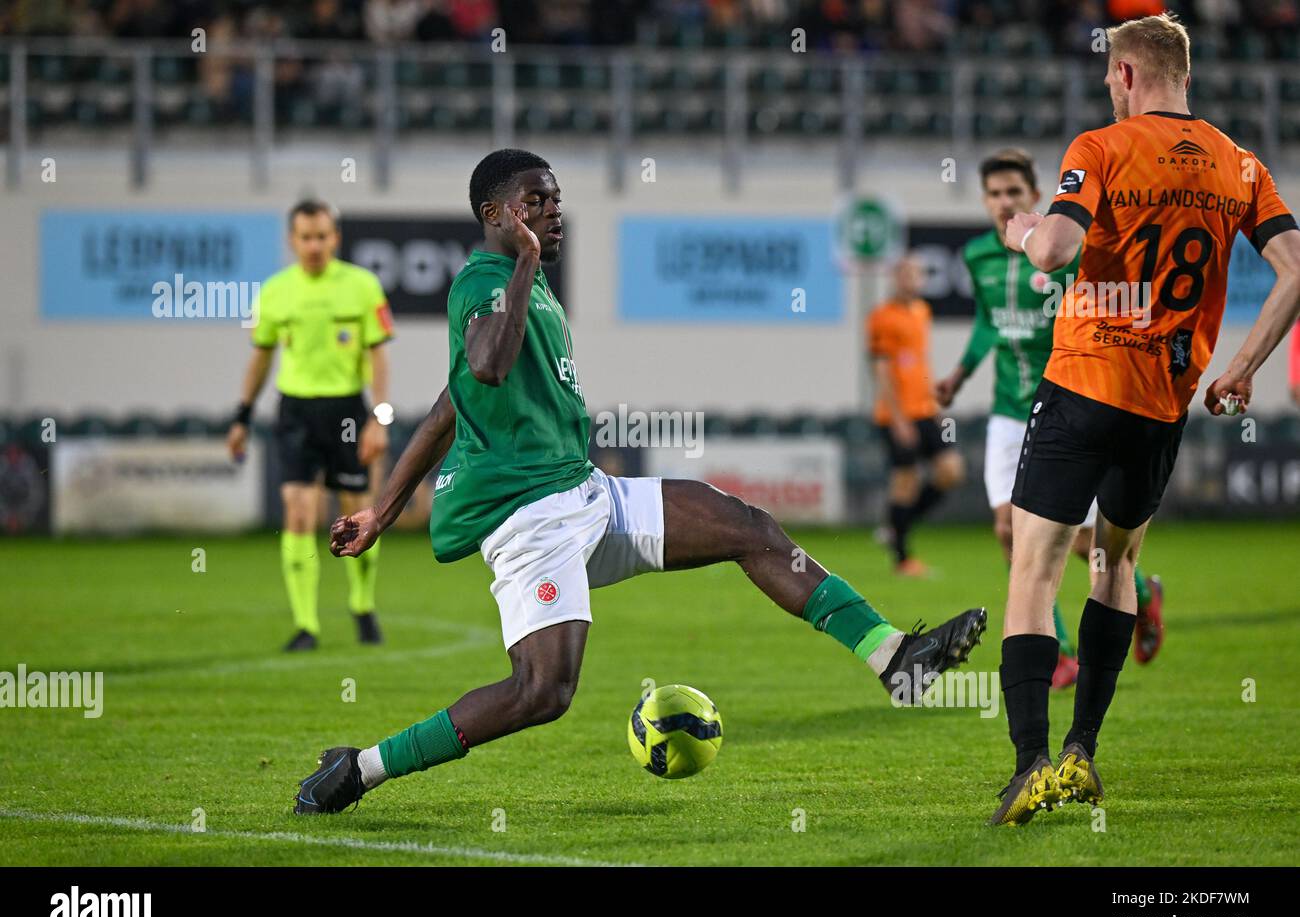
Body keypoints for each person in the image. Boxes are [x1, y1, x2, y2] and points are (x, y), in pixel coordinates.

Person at [292, 149, 989, 814]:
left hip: (586, 492)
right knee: (543, 692)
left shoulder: (529, 295)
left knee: (750, 528)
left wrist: (382, 511)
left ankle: (893, 656)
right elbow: (485, 369)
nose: (553, 212)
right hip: (531, 520)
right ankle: (359, 769)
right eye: (536, 201)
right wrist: (527, 265)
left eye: (557, 200)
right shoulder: (483, 283)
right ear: (495, 213)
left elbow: (450, 406)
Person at [988, 13, 1300, 825]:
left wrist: (1023, 230)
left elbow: (1056, 251)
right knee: (1116, 569)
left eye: (1108, 78)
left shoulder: (1099, 149)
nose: (1106, 89)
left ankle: (1029, 765)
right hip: (1164, 403)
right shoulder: (1241, 165)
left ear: (1127, 74)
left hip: (1085, 384)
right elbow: (1295, 271)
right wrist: (1240, 367)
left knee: (1033, 571)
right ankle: (1084, 751)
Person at [934, 148, 1164, 689]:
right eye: (994, 193)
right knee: (1007, 530)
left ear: (1035, 197)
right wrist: (958, 376)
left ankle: (1144, 593)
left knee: (1079, 543)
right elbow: (990, 325)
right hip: (1007, 414)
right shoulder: (977, 257)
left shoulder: (1061, 251)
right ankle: (1058, 651)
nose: (1003, 201)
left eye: (1014, 192)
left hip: (1063, 407)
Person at [227, 199, 394, 652]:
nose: (315, 245)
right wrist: (242, 416)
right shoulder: (276, 291)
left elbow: (379, 354)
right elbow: (261, 356)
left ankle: (362, 605)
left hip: (347, 411)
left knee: (356, 515)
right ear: (292, 240)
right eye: (306, 237)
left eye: (322, 236)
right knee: (299, 516)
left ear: (335, 238)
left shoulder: (362, 286)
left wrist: (379, 417)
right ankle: (307, 625)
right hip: (295, 412)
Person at [867, 255, 965, 577]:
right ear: (895, 279)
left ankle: (897, 525)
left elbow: (920, 363)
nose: (911, 280)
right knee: (905, 481)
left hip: (924, 410)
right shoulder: (882, 317)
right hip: (896, 415)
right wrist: (898, 419)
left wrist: (934, 407)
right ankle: (902, 559)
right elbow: (881, 370)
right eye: (905, 274)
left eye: (916, 274)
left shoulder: (922, 311)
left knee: (951, 471)